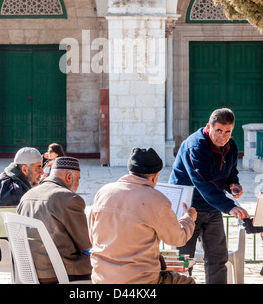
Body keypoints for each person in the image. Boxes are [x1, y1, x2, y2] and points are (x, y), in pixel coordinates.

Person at [88, 147, 197, 284]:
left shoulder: (103, 192)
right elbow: (177, 238)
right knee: (188, 282)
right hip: (140, 280)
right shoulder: (156, 199)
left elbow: (92, 235)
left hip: (101, 277)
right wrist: (188, 218)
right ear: (154, 177)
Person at [169, 108, 249, 284]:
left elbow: (230, 171)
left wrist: (232, 184)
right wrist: (229, 206)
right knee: (182, 261)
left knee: (217, 258)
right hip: (187, 209)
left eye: (228, 131)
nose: (223, 136)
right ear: (208, 127)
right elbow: (203, 182)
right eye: (218, 130)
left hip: (212, 207)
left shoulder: (232, 145)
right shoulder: (195, 146)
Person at [17, 156, 92, 284]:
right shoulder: (69, 198)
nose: (78, 184)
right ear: (69, 177)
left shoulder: (27, 196)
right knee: (111, 263)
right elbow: (86, 243)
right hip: (59, 271)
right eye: (78, 179)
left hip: (29, 271)